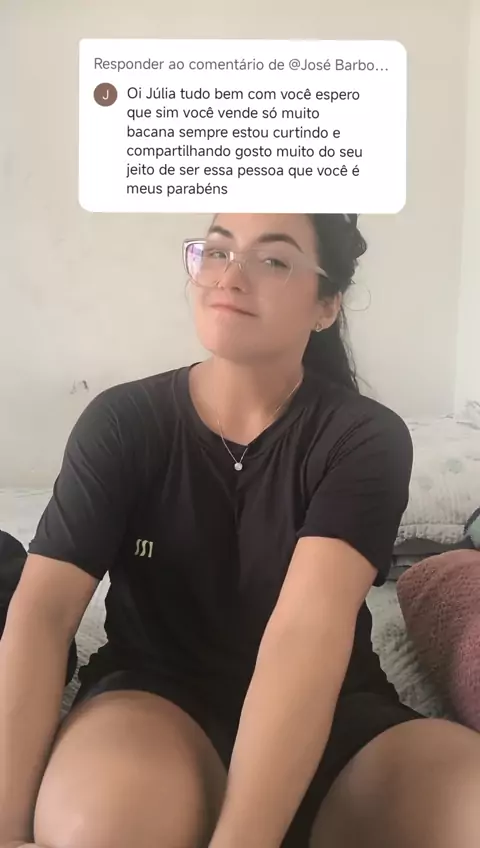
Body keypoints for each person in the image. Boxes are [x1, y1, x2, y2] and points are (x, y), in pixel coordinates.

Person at [1, 213, 480, 848]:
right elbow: (40, 615)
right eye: (218, 251)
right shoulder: (123, 422)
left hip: (333, 714)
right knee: (98, 825)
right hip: (155, 696)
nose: (230, 276)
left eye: (274, 260)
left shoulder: (363, 436)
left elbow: (305, 636)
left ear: (326, 305)